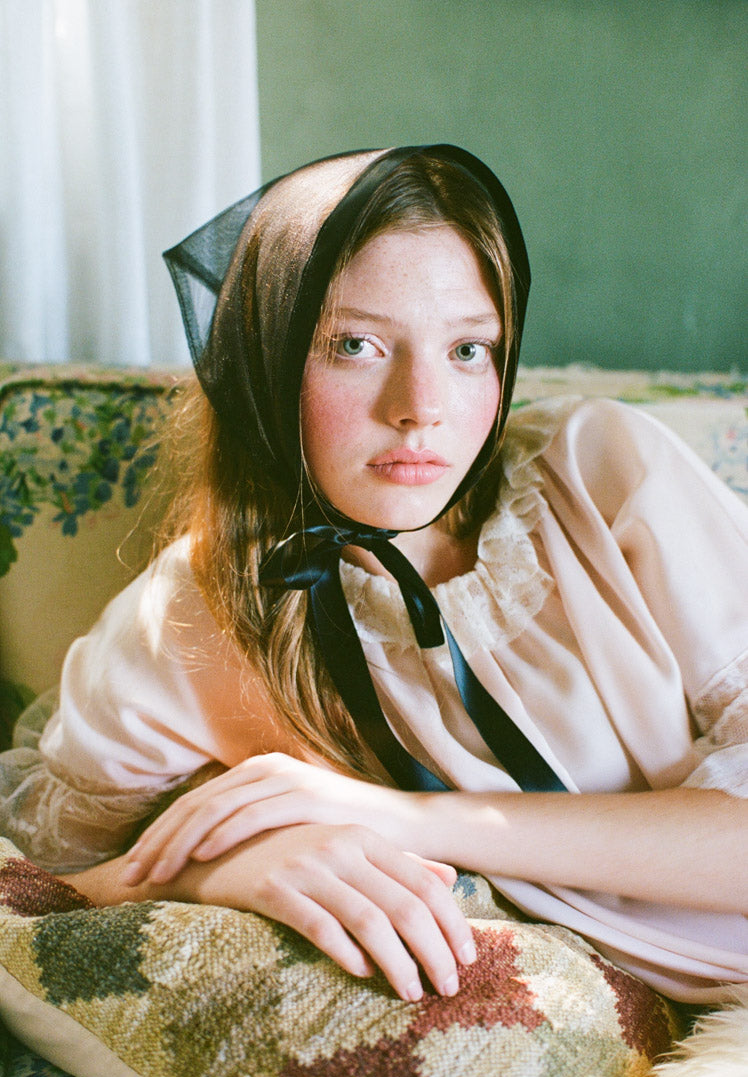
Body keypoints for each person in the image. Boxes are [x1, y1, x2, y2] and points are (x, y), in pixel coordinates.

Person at [1, 145, 746, 1009]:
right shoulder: (191, 616)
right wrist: (225, 865)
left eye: (469, 349)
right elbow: (45, 885)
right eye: (356, 344)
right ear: (266, 360)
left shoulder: (600, 471)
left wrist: (397, 817)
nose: (421, 405)